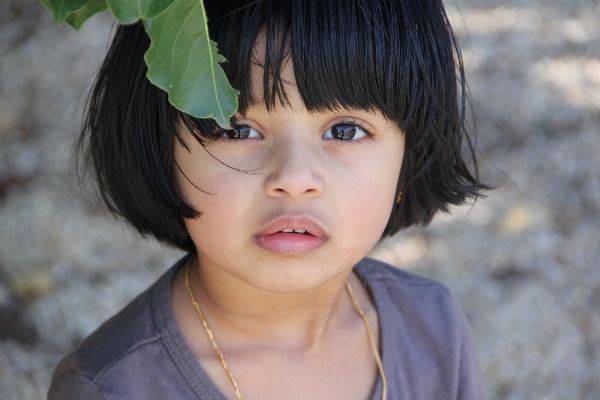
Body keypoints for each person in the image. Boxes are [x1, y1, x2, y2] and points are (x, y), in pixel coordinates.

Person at [48, 0, 488, 399]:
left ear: (411, 156)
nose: (294, 179)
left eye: (345, 130)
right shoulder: (111, 388)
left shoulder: (434, 330)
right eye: (237, 130)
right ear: (157, 146)